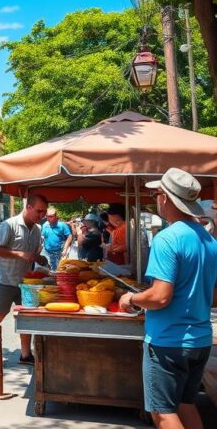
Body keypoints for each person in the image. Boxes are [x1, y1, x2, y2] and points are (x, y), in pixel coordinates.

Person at [119, 168, 217, 429]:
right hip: (200, 340)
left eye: (156, 193)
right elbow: (213, 295)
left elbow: (160, 297)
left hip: (168, 342)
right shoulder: (208, 240)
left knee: (163, 413)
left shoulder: (167, 238)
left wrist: (132, 298)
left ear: (165, 198)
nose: (154, 198)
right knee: (185, 404)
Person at [0, 194, 49, 366]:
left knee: (26, 316)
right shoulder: (9, 225)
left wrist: (38, 259)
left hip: (26, 281)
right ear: (29, 207)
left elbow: (30, 254)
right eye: (39, 211)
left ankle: (25, 354)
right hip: (5, 279)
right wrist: (19, 254)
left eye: (44, 212)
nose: (42, 215)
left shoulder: (37, 230)